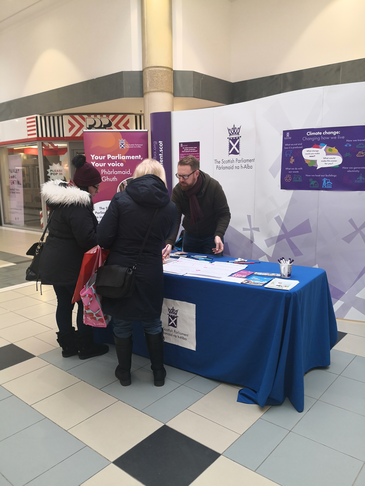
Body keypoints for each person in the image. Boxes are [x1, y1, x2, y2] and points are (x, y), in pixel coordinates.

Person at [97, 159, 177, 387]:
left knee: (121, 323)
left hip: (120, 271)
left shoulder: (121, 200)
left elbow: (102, 238)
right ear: (161, 177)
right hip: (151, 271)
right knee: (152, 322)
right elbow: (167, 235)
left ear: (137, 175)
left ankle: (124, 373)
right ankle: (158, 373)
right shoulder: (170, 207)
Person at [39, 155, 109, 359]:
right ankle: (86, 348)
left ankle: (68, 347)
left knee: (63, 302)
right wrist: (102, 234)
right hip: (70, 265)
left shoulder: (62, 202)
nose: (96, 191)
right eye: (95, 187)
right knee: (82, 304)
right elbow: (87, 239)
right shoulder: (78, 207)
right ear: (87, 187)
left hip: (54, 262)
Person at [162, 155, 231, 260]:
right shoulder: (178, 190)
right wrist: (169, 243)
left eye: (185, 176)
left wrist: (218, 235)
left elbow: (224, 214)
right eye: (179, 176)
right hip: (190, 236)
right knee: (188, 269)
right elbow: (174, 217)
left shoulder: (213, 186)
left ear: (196, 174)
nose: (181, 180)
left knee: (211, 271)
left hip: (211, 237)